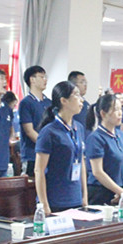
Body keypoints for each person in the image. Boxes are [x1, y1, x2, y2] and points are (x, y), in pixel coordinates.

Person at [35, 81, 87, 214]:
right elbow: (39, 170)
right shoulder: (49, 132)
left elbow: (81, 162)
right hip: (55, 200)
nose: (81, 100)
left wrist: (84, 195)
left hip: (75, 198)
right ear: (64, 100)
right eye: (76, 95)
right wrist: (44, 204)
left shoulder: (79, 128)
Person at [84, 93, 123, 205]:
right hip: (101, 192)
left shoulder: (121, 135)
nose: (120, 113)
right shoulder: (96, 138)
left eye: (121, 109)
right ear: (103, 113)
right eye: (115, 110)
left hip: (121, 191)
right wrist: (120, 192)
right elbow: (98, 172)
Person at [18, 65, 51, 176]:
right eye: (41, 77)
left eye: (45, 77)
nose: (45, 80)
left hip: (48, 154)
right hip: (32, 154)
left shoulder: (49, 102)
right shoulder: (26, 102)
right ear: (32, 80)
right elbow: (29, 131)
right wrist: (45, 144)